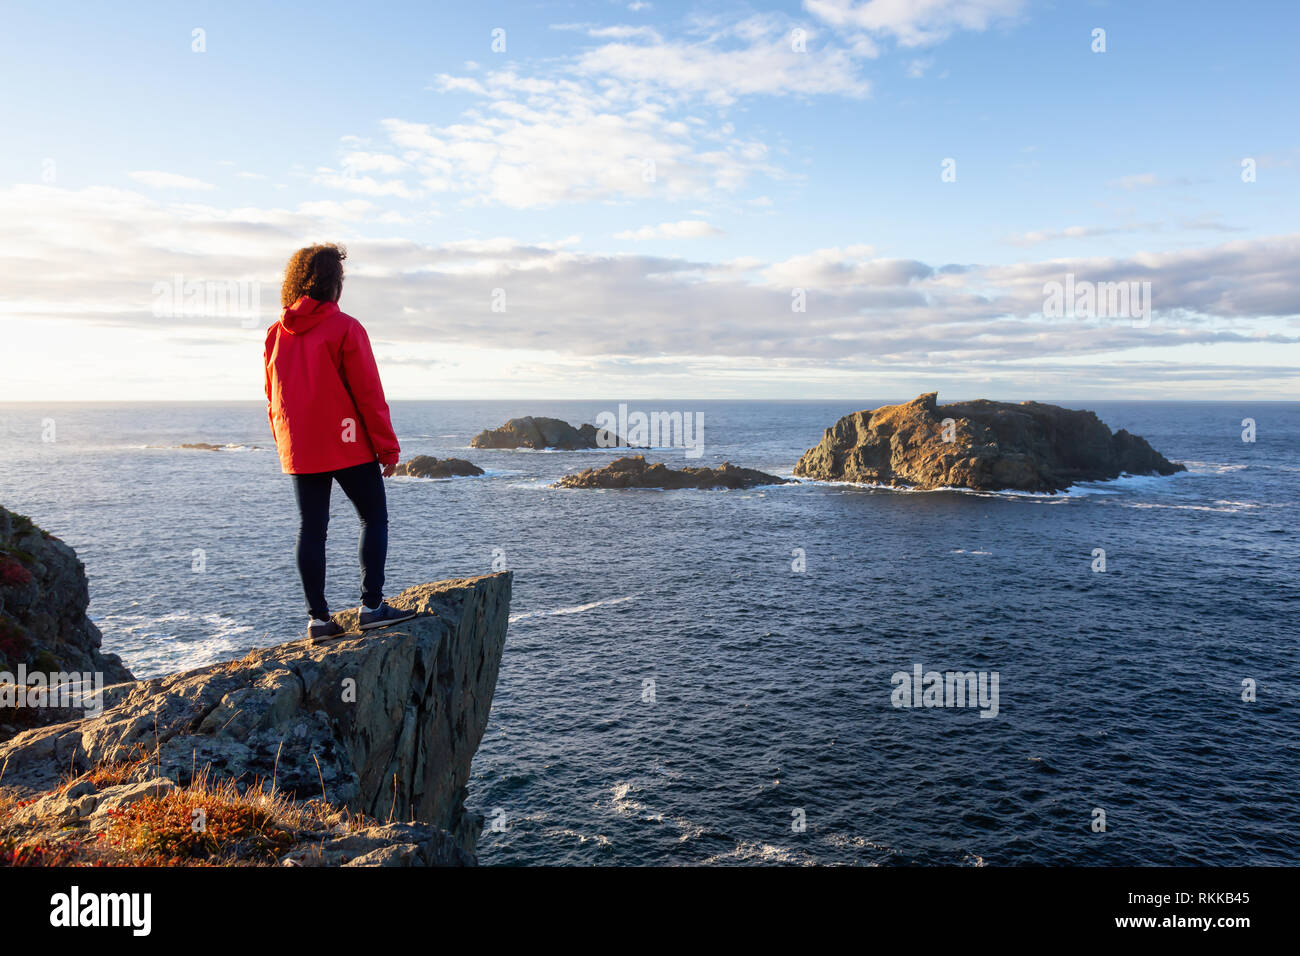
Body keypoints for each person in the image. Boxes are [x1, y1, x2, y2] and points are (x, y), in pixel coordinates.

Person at [263, 243, 416, 642]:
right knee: (374, 518)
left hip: (301, 446)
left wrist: (286, 442)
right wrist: (387, 447)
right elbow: (368, 393)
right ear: (335, 283)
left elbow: (273, 395)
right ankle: (371, 608)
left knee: (311, 530)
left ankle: (318, 621)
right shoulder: (346, 327)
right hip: (347, 443)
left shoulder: (276, 333)